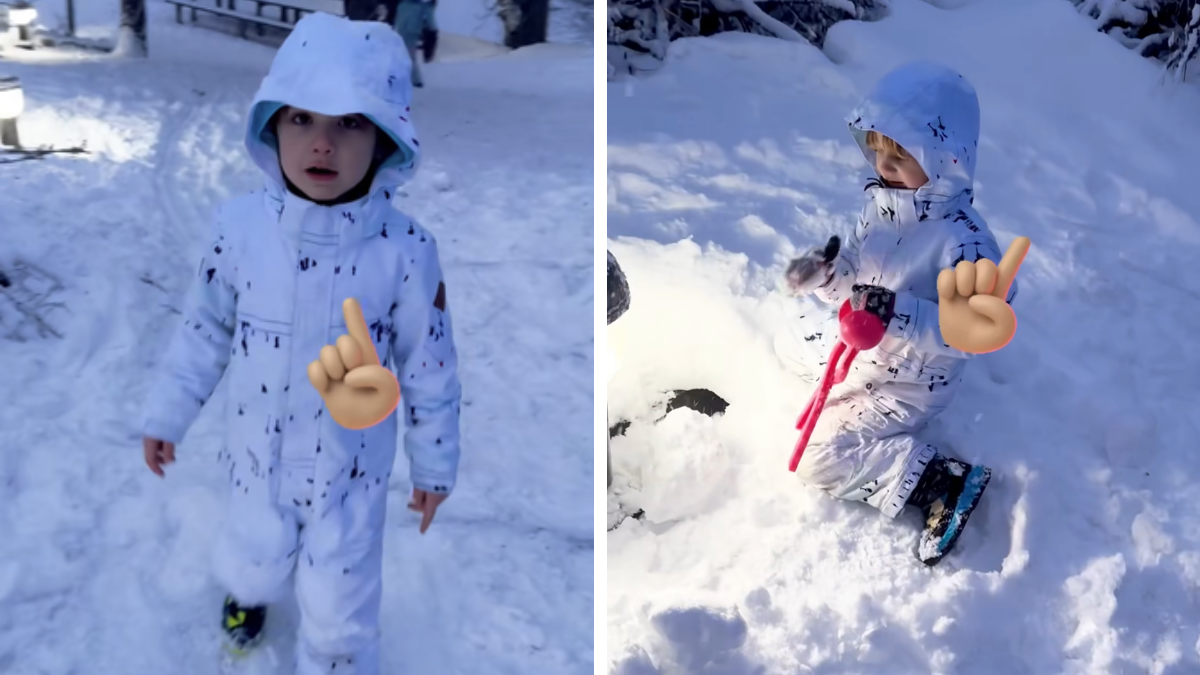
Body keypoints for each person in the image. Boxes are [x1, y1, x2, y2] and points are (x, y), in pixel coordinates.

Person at [139, 13, 462, 673]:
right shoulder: (240, 228)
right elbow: (204, 328)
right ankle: (247, 595)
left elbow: (430, 365)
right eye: (301, 119)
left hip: (352, 469)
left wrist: (433, 466)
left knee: (343, 594)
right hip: (255, 454)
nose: (323, 144)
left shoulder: (406, 251)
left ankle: (338, 658)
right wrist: (167, 414)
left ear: (385, 138)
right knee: (254, 549)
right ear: (270, 126)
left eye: (349, 123)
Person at [773, 61, 1017, 565]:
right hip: (864, 350)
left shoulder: (963, 241)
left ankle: (940, 483)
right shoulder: (881, 209)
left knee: (820, 457)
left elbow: (976, 332)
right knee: (786, 340)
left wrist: (898, 315)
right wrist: (826, 276)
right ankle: (841, 385)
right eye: (877, 150)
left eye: (901, 155)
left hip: (910, 381)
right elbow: (858, 284)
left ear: (945, 159)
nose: (883, 165)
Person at [393, 0, 438, 88]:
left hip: (409, 31)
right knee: (406, 55)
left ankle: (415, 79)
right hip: (405, 31)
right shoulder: (406, 5)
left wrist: (431, 28)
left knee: (408, 55)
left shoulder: (407, 5)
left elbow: (398, 18)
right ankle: (409, 78)